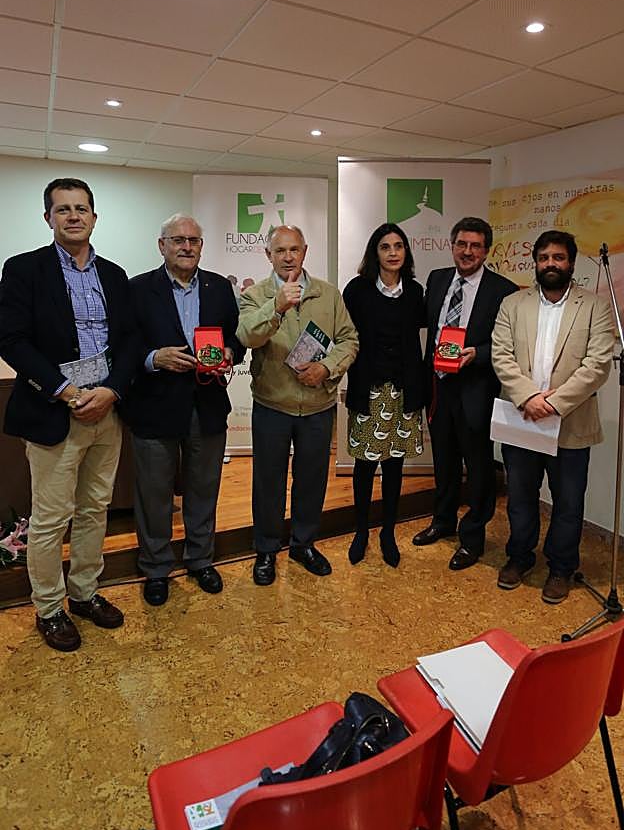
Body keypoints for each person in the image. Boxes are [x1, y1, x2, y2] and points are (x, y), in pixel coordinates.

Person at [0, 178, 136, 651]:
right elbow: (12, 339)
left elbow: (130, 340)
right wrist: (66, 391)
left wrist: (112, 391)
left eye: (81, 208)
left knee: (95, 509)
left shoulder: (114, 275)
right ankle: (49, 608)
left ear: (94, 217)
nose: (74, 216)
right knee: (51, 518)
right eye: (63, 209)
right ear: (48, 218)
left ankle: (83, 593)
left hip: (106, 410)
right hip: (55, 411)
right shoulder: (24, 269)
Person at [124, 214, 244, 606]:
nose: (187, 247)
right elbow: (122, 346)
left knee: (204, 488)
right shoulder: (137, 289)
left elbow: (236, 337)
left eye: (193, 240)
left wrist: (230, 352)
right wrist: (153, 358)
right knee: (154, 494)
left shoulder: (219, 288)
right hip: (154, 406)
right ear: (162, 246)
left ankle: (200, 559)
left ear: (201, 247)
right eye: (178, 240)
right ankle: (156, 567)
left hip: (206, 405)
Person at [491, 230, 614, 603]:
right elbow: (501, 355)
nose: (550, 264)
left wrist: (555, 403)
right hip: (522, 420)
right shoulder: (513, 304)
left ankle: (561, 568)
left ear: (571, 263)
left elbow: (598, 365)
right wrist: (529, 397)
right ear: (536, 262)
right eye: (544, 257)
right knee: (520, 497)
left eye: (558, 257)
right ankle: (520, 557)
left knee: (568, 502)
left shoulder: (594, 306)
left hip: (571, 423)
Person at [237, 224, 358, 586]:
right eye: (280, 250)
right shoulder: (255, 295)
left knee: (311, 480)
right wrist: (276, 306)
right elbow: (247, 336)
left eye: (294, 249)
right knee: (268, 483)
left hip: (318, 406)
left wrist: (326, 368)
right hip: (273, 405)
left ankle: (304, 545)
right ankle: (266, 549)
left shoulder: (328, 294)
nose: (288, 257)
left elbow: (349, 340)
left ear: (305, 251)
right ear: (268, 255)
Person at [412, 216, 517, 570]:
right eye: (462, 244)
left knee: (478, 467)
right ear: (452, 245)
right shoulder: (437, 279)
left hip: (476, 389)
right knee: (443, 460)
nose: (467, 251)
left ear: (486, 251)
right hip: (438, 387)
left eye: (475, 246)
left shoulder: (503, 290)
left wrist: (478, 354)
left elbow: (507, 342)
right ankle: (442, 521)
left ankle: (472, 537)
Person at [343, 223, 425, 567]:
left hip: (403, 391)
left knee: (394, 467)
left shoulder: (415, 291)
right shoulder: (357, 290)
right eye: (385, 247)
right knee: (364, 467)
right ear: (374, 253)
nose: (393, 253)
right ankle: (361, 531)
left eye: (398, 246)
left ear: (406, 251)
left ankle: (388, 532)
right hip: (369, 390)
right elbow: (345, 335)